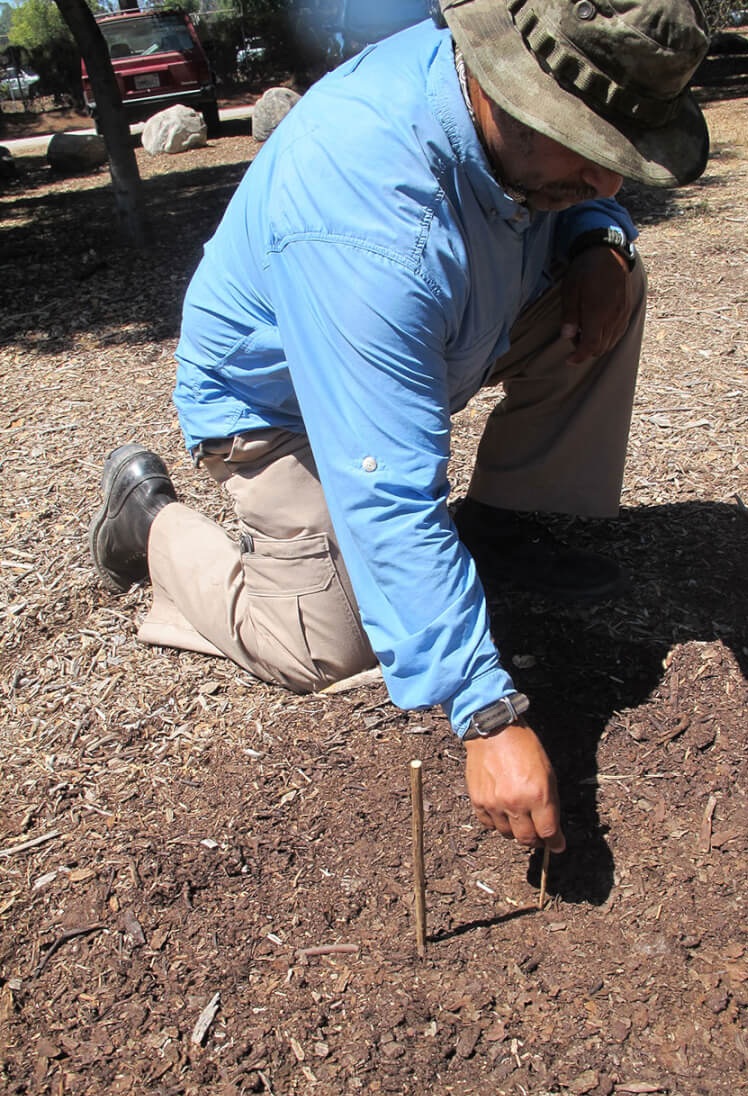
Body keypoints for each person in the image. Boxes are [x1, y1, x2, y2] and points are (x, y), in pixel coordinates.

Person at [89, 0, 710, 860]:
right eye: (590, 149)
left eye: (621, 156)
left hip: (449, 333)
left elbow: (579, 200)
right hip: (280, 412)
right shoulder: (368, 214)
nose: (611, 181)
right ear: (508, 89)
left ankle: (509, 525)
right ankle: (146, 526)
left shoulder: (515, 137)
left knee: (616, 283)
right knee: (326, 647)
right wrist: (486, 713)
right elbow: (383, 481)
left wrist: (600, 238)